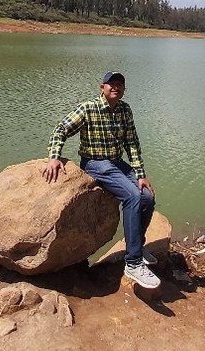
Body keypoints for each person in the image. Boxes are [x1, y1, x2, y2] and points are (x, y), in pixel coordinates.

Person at [44, 71, 160, 289]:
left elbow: (132, 143)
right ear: (102, 87)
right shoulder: (89, 108)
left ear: (124, 89)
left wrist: (141, 173)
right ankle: (133, 263)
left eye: (120, 84)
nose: (116, 87)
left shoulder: (125, 110)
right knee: (133, 196)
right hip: (95, 164)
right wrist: (54, 157)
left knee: (147, 198)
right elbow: (61, 130)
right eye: (111, 84)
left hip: (117, 162)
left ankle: (135, 245)